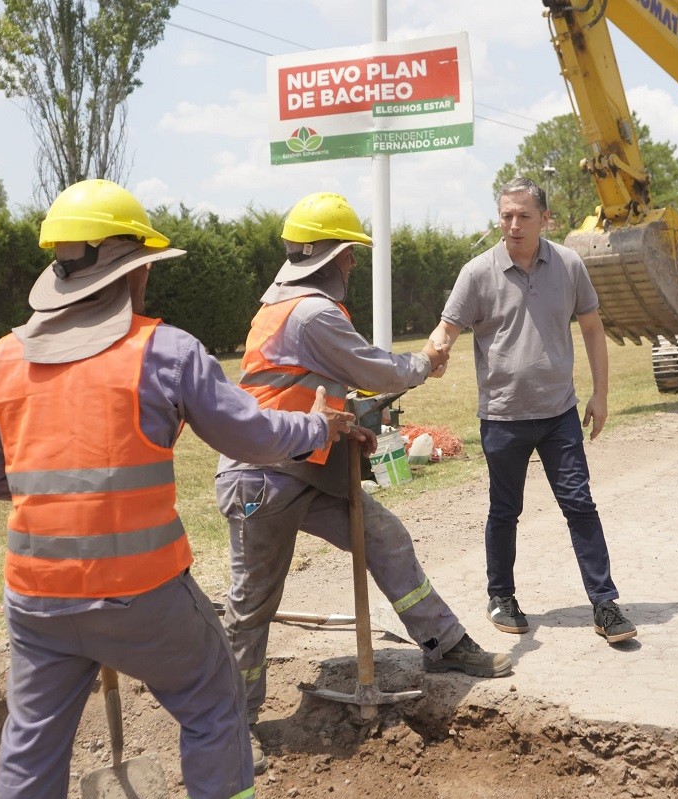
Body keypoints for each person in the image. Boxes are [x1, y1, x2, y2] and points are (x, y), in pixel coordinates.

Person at [0, 179, 354, 799]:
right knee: (212, 699)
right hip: (142, 596)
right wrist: (315, 425)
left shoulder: (2, 360)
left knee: (32, 739)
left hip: (37, 601)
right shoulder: (165, 351)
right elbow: (250, 436)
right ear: (132, 273)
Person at [216, 191, 513, 773]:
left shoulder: (283, 308)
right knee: (252, 604)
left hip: (301, 465)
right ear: (327, 256)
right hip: (263, 479)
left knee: (385, 535)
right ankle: (231, 722)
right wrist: (424, 363)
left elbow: (307, 389)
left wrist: (347, 424)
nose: (353, 264)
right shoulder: (312, 313)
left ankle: (444, 644)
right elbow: (375, 370)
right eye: (350, 254)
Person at [430, 177, 637, 645]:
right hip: (502, 417)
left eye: (524, 215)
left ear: (546, 219)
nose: (514, 224)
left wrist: (600, 395)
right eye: (506, 215)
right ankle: (501, 596)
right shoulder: (477, 272)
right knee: (505, 510)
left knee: (580, 505)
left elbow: (591, 328)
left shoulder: (568, 263)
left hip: (559, 413)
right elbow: (445, 330)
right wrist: (435, 354)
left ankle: (605, 604)